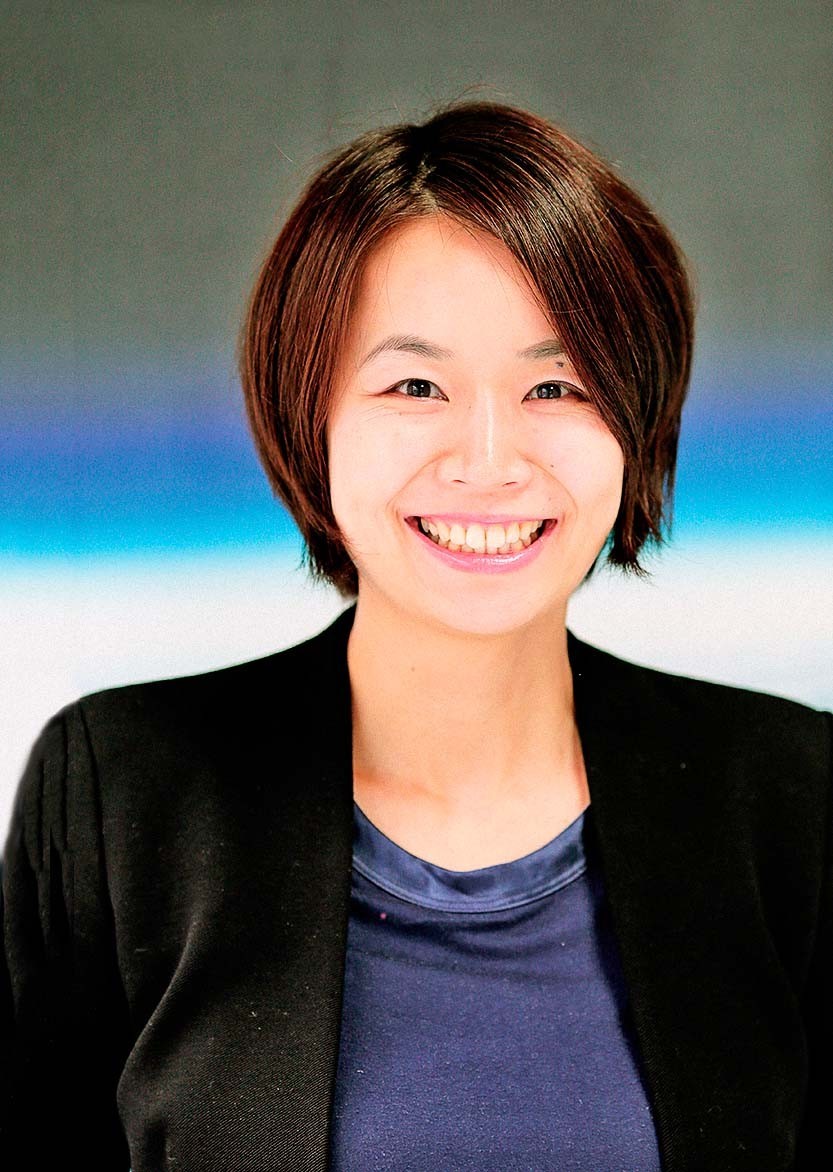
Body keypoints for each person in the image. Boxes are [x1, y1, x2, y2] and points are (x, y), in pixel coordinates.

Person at [1, 99, 829, 1172]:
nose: (487, 460)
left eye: (555, 385)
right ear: (310, 415)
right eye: (414, 384)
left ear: (637, 416)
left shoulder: (788, 793)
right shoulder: (120, 795)